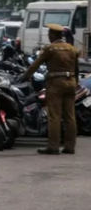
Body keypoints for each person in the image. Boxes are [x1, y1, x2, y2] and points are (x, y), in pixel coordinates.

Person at [23, 23, 79, 154]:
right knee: (70, 116)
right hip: (71, 83)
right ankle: (70, 146)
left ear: (52, 35)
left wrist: (25, 76)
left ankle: (53, 146)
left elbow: (35, 65)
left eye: (49, 34)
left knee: (55, 116)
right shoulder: (72, 49)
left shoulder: (50, 49)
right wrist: (75, 83)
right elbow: (76, 69)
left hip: (56, 83)